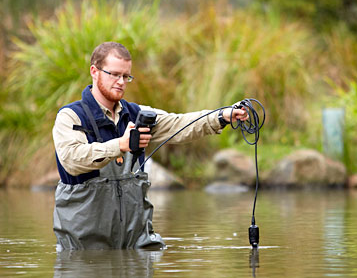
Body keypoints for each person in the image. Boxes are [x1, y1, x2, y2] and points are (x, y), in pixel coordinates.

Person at [52, 41, 248, 250]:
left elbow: (180, 124)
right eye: (114, 74)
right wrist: (120, 144)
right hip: (84, 248)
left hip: (136, 242)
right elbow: (72, 160)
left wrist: (223, 115)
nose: (121, 82)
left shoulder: (137, 115)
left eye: (126, 76)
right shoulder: (71, 116)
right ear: (94, 71)